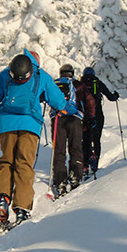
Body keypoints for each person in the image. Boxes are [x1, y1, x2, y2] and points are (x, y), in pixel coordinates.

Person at [0, 50, 75, 229]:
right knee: (24, 164)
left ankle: (3, 199)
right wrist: (67, 108)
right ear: (37, 61)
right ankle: (22, 208)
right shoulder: (41, 75)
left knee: (6, 162)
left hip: (5, 124)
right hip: (30, 125)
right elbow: (58, 101)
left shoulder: (6, 73)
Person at [76, 64, 120, 178]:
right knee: (96, 139)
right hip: (98, 116)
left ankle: (85, 165)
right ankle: (95, 162)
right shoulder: (98, 83)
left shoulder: (80, 85)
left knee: (85, 139)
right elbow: (110, 97)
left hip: (85, 116)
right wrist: (116, 96)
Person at [51, 63, 85, 194]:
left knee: (59, 150)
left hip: (58, 119)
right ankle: (75, 176)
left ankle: (60, 181)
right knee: (75, 147)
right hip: (75, 118)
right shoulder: (77, 84)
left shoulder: (54, 84)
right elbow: (88, 101)